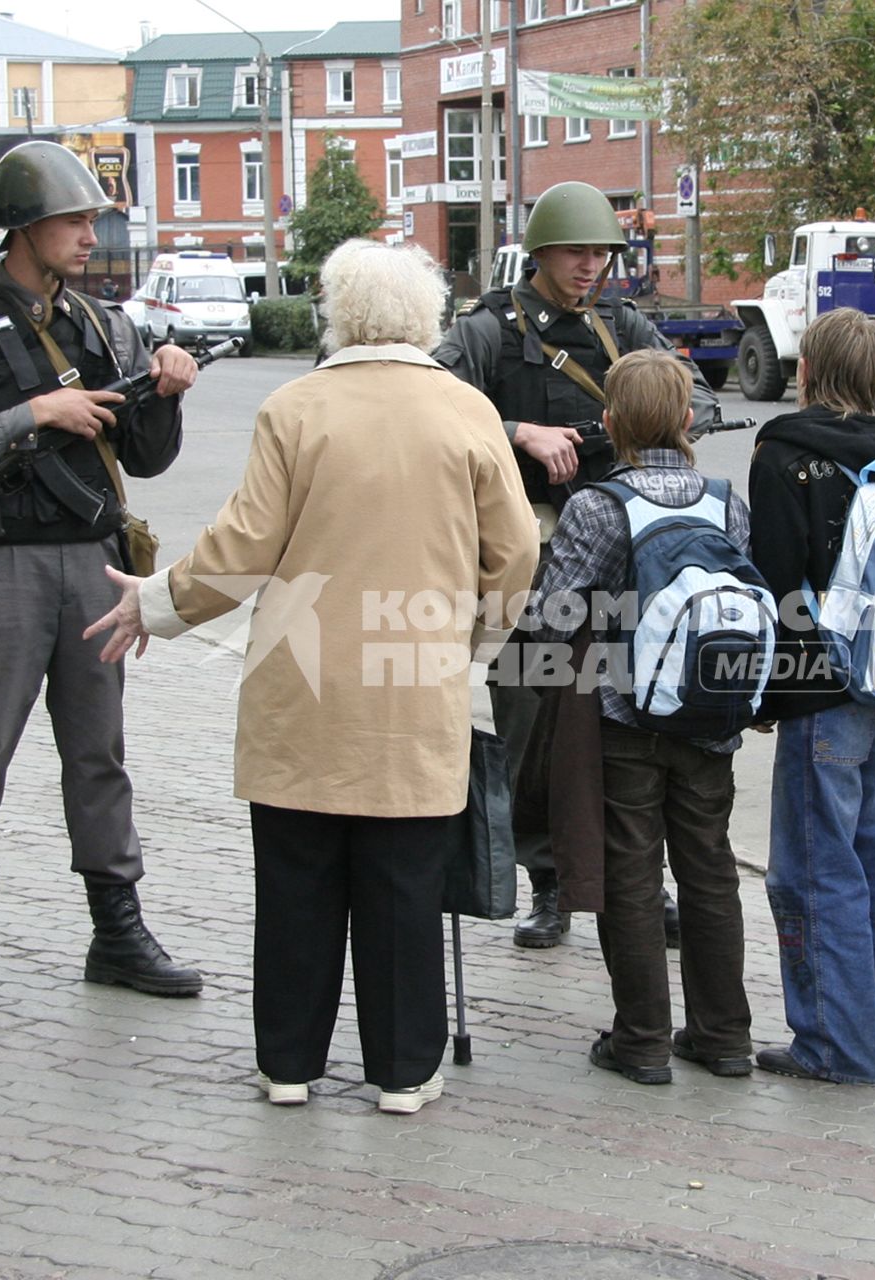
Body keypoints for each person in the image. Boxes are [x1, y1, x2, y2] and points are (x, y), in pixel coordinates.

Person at [86, 239, 537, 1115]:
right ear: (426, 316)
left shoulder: (294, 407)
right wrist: (473, 641)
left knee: (295, 884)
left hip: (303, 687)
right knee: (406, 886)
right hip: (413, 685)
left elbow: (243, 548)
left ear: (336, 312)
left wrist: (158, 603)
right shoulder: (469, 409)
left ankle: (288, 1064)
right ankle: (403, 1072)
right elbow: (515, 553)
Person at [0, 139, 204, 1016]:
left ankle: (117, 931)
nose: (86, 236)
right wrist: (36, 410)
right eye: (73, 221)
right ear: (25, 227)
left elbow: (142, 461)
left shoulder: (106, 326)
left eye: (90, 221)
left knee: (98, 756)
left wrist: (168, 391)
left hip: (90, 564)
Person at [435, 179, 717, 949]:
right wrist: (520, 428)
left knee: (630, 726)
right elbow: (430, 399)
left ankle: (637, 883)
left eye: (602, 252)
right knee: (532, 725)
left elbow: (703, 399)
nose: (593, 264)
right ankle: (549, 884)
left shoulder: (623, 323)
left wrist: (655, 427)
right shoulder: (490, 328)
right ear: (542, 250)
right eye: (578, 250)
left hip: (625, 549)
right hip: (529, 551)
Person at [522, 349, 754, 1086]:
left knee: (630, 869)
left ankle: (642, 1040)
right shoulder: (724, 499)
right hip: (710, 717)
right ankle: (724, 1038)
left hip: (626, 718)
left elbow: (551, 619)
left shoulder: (598, 505)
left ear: (610, 423)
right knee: (711, 870)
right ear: (688, 420)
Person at [745, 308, 875, 1085]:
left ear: (807, 369)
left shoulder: (784, 452)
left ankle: (833, 1047)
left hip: (819, 689)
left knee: (814, 870)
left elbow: (777, 583)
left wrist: (764, 701)